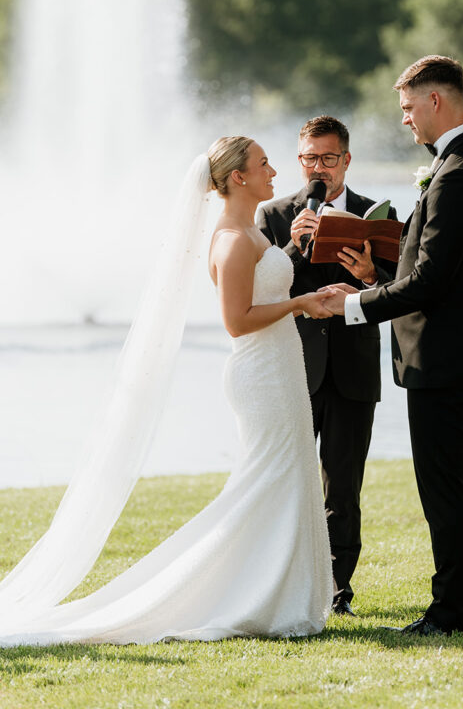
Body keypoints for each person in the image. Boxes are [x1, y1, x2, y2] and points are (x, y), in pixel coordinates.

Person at [0, 137, 334, 646]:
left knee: (287, 477)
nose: (274, 171)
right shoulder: (231, 240)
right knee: (268, 479)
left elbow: (266, 289)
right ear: (238, 177)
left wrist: (305, 284)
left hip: (280, 366)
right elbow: (237, 322)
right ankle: (245, 594)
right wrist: (303, 302)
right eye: (264, 164)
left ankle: (281, 594)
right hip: (261, 372)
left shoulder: (253, 231)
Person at [321, 57, 463, 637]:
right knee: (445, 487)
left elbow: (431, 283)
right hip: (447, 355)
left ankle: (449, 614)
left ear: (435, 102)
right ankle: (450, 607)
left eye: (407, 107)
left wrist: (350, 306)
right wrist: (376, 274)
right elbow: (428, 271)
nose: (403, 120)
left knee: (445, 491)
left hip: (444, 361)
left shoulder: (458, 171)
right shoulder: (456, 163)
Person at [256, 116, 396, 616]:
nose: (319, 168)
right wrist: (294, 244)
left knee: (344, 485)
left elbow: (398, 288)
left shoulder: (375, 212)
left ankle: (338, 592)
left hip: (354, 367)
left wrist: (369, 275)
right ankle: (283, 586)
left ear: (347, 160)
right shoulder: (272, 215)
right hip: (294, 364)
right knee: (288, 480)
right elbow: (261, 292)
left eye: (328, 158)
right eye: (309, 158)